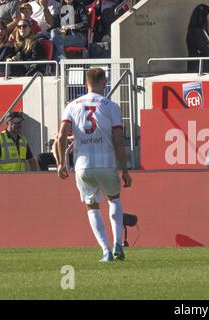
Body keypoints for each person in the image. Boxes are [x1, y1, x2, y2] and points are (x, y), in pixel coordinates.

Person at [56, 67, 132, 262]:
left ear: (85, 84)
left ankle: (105, 250)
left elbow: (61, 135)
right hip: (106, 162)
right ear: (104, 82)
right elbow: (117, 139)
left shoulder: (72, 105)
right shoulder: (111, 106)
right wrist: (124, 169)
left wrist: (61, 162)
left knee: (92, 206)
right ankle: (117, 244)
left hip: (82, 165)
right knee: (114, 199)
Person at [186, 3, 209, 73]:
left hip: (207, 67)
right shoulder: (194, 31)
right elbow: (206, 51)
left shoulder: (203, 30)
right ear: (203, 16)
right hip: (198, 68)